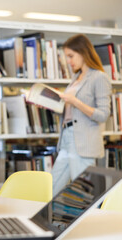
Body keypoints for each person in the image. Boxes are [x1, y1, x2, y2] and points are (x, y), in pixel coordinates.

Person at [52, 34, 112, 196]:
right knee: (52, 186)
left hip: (83, 141)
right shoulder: (75, 78)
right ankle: (47, 219)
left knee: (83, 193)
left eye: (71, 56)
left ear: (83, 52)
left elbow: (103, 114)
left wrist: (75, 101)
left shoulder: (99, 77)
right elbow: (71, 111)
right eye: (67, 57)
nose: (69, 61)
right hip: (66, 137)